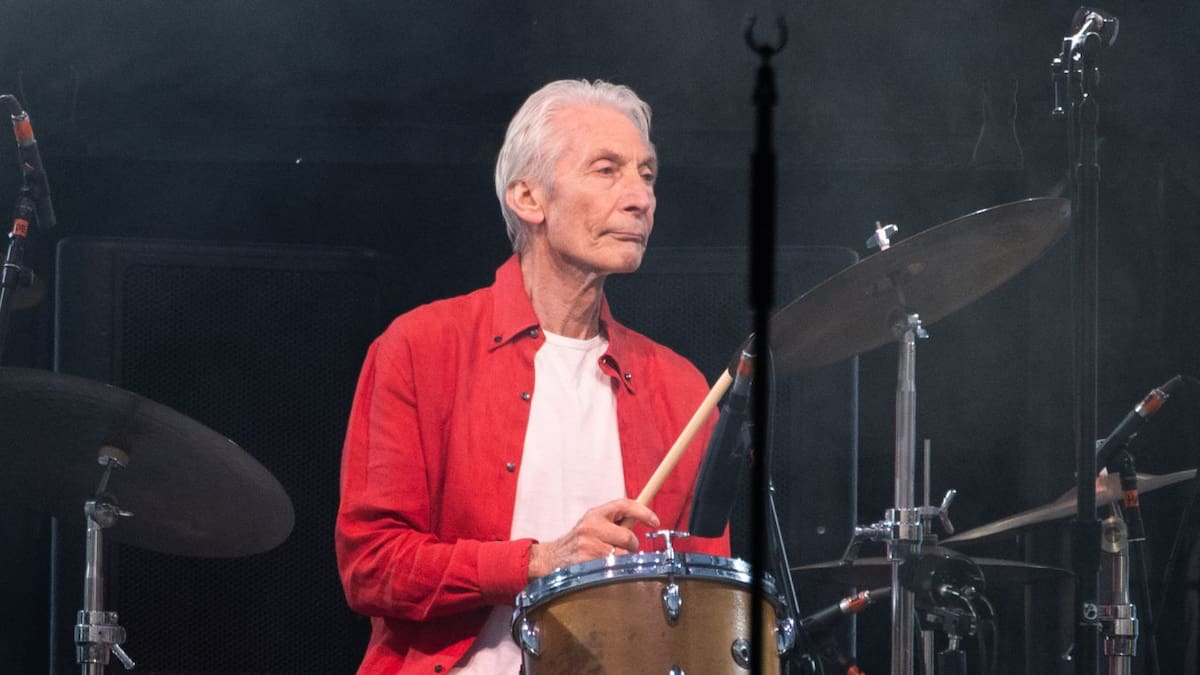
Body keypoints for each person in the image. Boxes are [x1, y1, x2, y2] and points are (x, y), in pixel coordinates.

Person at [335, 79, 730, 675]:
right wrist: (539, 562)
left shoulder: (681, 388)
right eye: (607, 170)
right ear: (528, 197)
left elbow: (705, 601)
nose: (640, 198)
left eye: (647, 175)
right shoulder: (421, 348)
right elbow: (372, 566)